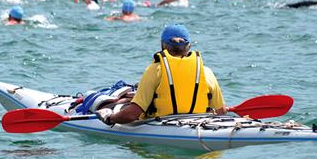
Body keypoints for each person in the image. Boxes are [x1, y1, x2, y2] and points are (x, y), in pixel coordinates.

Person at [96, 24, 227, 125]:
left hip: (159, 126)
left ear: (163, 45)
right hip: (198, 124)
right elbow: (221, 113)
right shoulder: (206, 72)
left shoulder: (155, 70)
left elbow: (132, 115)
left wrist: (110, 118)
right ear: (189, 46)